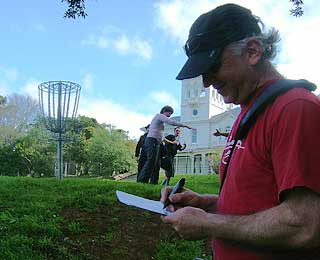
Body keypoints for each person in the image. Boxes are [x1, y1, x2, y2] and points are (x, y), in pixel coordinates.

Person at [161, 3, 320, 259]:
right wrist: (207, 204)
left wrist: (208, 224)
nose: (207, 82)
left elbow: (305, 224)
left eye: (213, 67)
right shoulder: (248, 111)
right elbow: (257, 203)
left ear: (253, 51)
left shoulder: (294, 108)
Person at [137, 105, 193, 184]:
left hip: (157, 143)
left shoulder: (161, 122)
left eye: (171, 114)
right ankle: (142, 180)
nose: (170, 115)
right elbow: (171, 122)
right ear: (164, 111)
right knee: (151, 161)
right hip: (152, 141)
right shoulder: (159, 116)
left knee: (156, 162)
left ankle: (153, 181)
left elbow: (160, 135)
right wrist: (184, 125)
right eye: (169, 113)